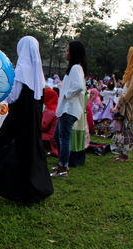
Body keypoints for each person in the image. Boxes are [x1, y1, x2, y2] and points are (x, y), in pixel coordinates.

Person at [0, 36, 53, 204]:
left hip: (16, 122)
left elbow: (12, 97)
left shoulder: (22, 70)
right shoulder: (39, 74)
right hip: (31, 125)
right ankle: (28, 192)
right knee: (26, 157)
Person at [52, 41, 87, 177]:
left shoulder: (76, 68)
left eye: (68, 50)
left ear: (73, 53)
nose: (66, 53)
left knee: (63, 138)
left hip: (69, 109)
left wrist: (67, 94)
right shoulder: (74, 68)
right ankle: (62, 163)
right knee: (58, 136)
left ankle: (63, 167)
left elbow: (79, 86)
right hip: (66, 108)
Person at [42, 87, 59, 156]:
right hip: (56, 137)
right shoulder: (56, 107)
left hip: (50, 138)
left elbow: (43, 126)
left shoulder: (50, 109)